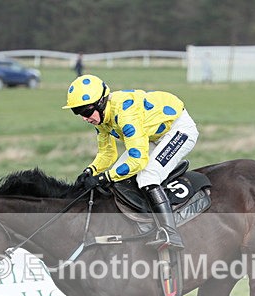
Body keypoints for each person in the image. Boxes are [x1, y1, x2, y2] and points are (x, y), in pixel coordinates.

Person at [62, 74, 199, 250]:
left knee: (147, 176)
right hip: (151, 135)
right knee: (119, 175)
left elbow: (138, 159)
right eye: (78, 112)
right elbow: (107, 153)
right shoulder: (101, 118)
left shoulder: (125, 114)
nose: (84, 117)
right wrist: (91, 170)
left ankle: (170, 233)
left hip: (178, 130)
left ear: (101, 102)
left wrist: (105, 177)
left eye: (86, 111)